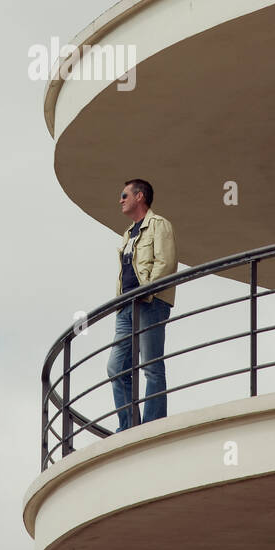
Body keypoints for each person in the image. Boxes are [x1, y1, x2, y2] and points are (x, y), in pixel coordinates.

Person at [107, 179, 177, 431]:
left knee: (151, 365)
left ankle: (152, 425)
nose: (120, 199)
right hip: (126, 308)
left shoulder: (159, 225)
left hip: (150, 302)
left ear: (140, 196)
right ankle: (128, 427)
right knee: (116, 368)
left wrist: (146, 290)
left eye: (124, 194)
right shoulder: (128, 234)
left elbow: (165, 263)